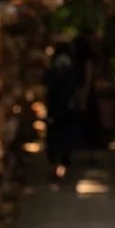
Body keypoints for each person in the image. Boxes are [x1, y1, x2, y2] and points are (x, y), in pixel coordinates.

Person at [43, 42, 79, 180]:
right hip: (67, 109)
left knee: (54, 138)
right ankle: (63, 167)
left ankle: (55, 166)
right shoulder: (70, 69)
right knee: (65, 139)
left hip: (54, 109)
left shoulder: (54, 68)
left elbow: (47, 85)